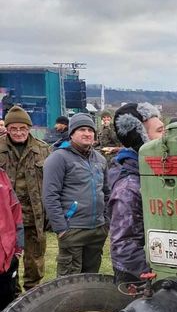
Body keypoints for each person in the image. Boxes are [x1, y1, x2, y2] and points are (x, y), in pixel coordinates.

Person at [42, 112, 109, 276]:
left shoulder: (100, 159)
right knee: (68, 283)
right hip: (73, 229)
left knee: (90, 280)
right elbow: (50, 195)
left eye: (90, 130)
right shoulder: (58, 158)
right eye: (82, 130)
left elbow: (107, 192)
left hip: (97, 230)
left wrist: (106, 222)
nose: (87, 133)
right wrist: (61, 228)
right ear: (72, 133)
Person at [107, 103, 163, 282]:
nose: (167, 136)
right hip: (141, 279)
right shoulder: (129, 187)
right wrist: (150, 277)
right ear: (142, 138)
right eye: (161, 131)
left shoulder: (152, 176)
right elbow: (124, 246)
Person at [0, 105, 50, 290]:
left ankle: (32, 298)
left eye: (23, 128)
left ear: (29, 128)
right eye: (14, 128)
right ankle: (10, 298)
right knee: (6, 262)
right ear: (7, 128)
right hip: (6, 219)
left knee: (35, 263)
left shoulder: (43, 149)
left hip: (33, 217)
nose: (19, 132)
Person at [0, 169, 23, 311]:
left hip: (6, 259)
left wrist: (18, 248)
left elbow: (15, 209)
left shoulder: (2, 175)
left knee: (6, 310)